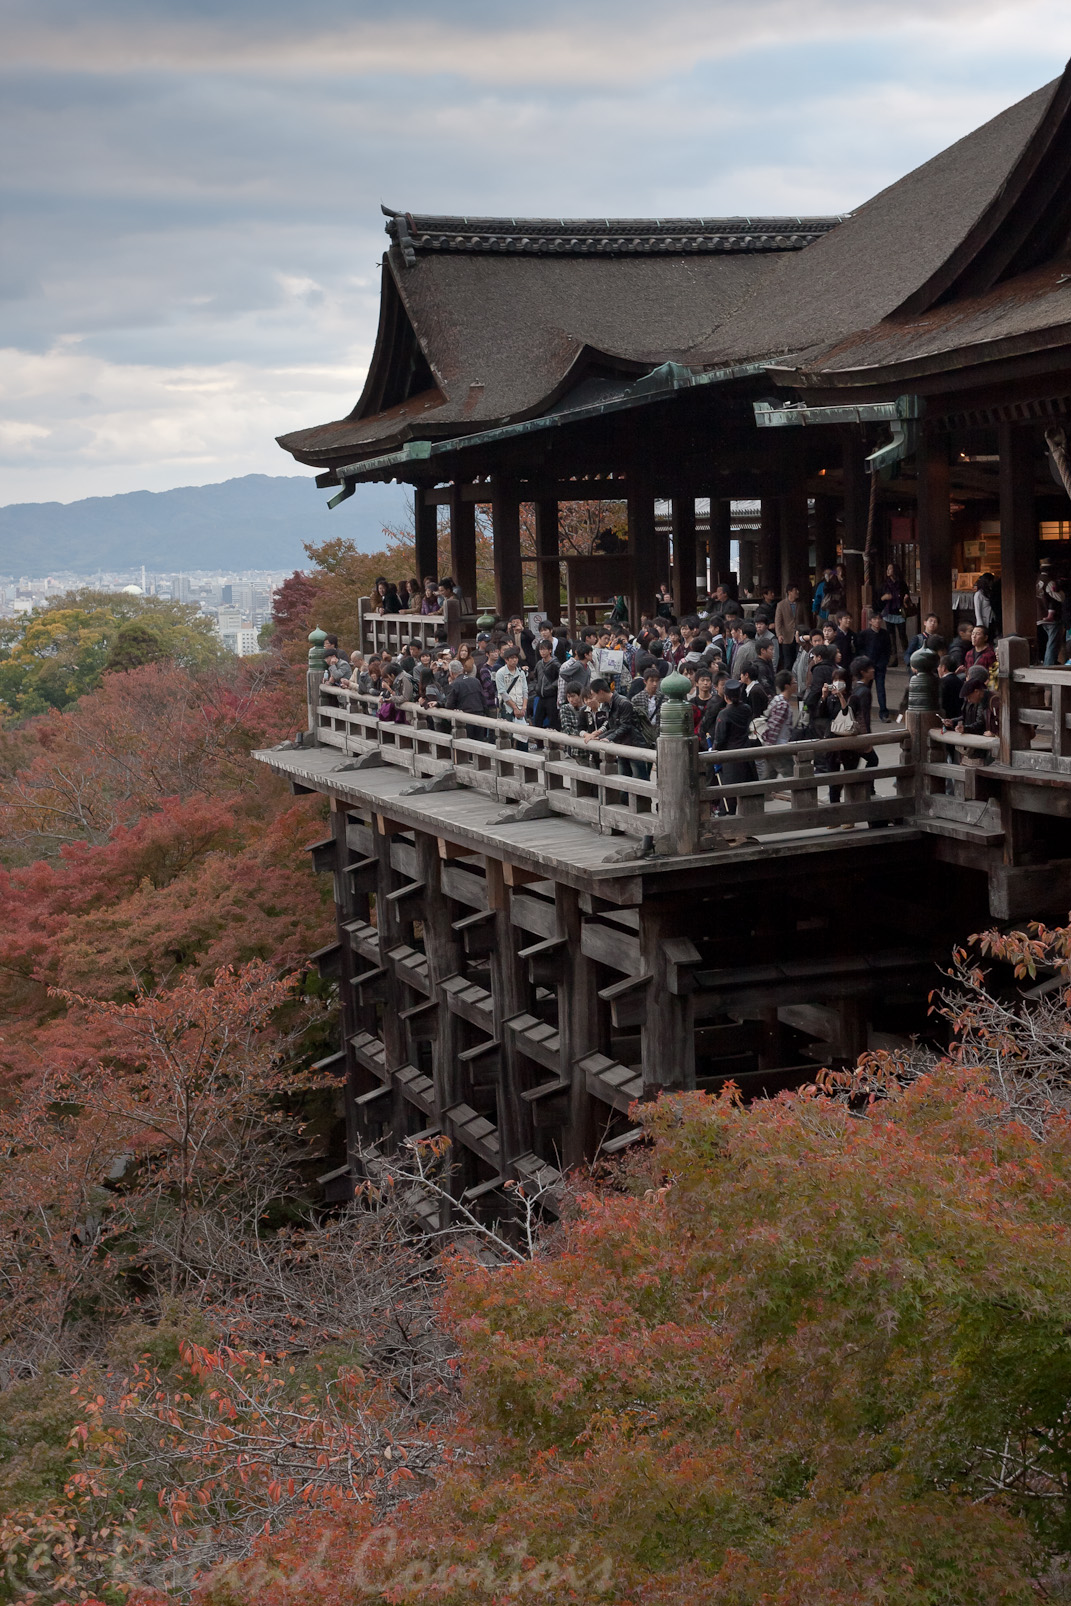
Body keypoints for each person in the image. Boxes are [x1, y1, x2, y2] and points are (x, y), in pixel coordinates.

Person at [582, 677, 653, 777]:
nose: (594, 698)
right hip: (621, 744)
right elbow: (611, 725)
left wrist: (607, 738)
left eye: (593, 695)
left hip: (634, 744)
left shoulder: (623, 703)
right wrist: (598, 736)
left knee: (639, 779)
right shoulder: (607, 704)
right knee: (623, 779)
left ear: (601, 692)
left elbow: (625, 726)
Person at [712, 680, 758, 829]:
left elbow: (719, 738)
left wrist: (713, 750)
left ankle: (729, 826)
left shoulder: (724, 714)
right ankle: (749, 824)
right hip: (745, 753)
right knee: (747, 792)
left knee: (729, 795)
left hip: (730, 758)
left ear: (726, 697)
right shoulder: (746, 709)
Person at [757, 669, 798, 797]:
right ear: (787, 686)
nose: (796, 684)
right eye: (793, 682)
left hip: (773, 746)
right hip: (778, 747)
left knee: (767, 778)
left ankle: (758, 799)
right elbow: (774, 728)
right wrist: (770, 747)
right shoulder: (782, 705)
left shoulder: (777, 700)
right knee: (793, 778)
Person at [858, 611, 892, 721]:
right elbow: (860, 648)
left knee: (881, 689)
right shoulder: (864, 634)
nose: (877, 621)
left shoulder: (885, 634)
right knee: (865, 690)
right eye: (875, 619)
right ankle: (863, 712)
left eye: (879, 619)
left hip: (880, 666)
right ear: (870, 621)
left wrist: (884, 662)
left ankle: (884, 713)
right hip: (867, 666)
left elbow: (888, 649)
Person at [774, 585, 807, 671]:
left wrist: (807, 633)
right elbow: (778, 621)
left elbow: (805, 620)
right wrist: (779, 634)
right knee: (788, 661)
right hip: (786, 636)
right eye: (795, 590)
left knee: (800, 659)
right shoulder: (781, 605)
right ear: (789, 592)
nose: (797, 592)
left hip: (800, 635)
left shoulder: (801, 604)